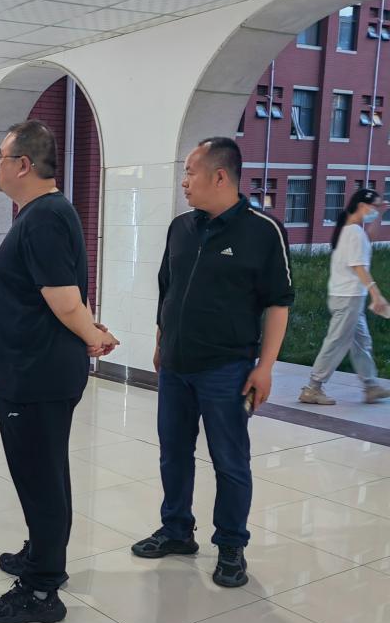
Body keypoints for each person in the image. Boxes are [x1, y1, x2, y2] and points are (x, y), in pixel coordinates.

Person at [132, 137, 294, 589]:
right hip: (176, 367)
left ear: (220, 176)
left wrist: (265, 367)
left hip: (228, 370)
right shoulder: (181, 227)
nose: (184, 182)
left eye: (190, 172)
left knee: (229, 459)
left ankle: (231, 546)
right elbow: (167, 289)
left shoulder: (263, 231)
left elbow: (278, 303)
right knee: (173, 453)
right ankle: (176, 530)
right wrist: (162, 341)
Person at [0, 120, 119, 623]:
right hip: (31, 372)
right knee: (45, 472)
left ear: (23, 165)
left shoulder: (45, 218)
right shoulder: (45, 214)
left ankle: (41, 590)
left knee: (40, 479)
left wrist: (91, 334)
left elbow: (64, 300)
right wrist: (91, 329)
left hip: (36, 376)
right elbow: (64, 293)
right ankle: (41, 553)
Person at [299, 187, 389, 405]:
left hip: (348, 296)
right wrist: (376, 295)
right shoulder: (353, 232)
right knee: (337, 342)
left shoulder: (350, 230)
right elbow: (358, 266)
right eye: (375, 207)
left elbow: (369, 240)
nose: (376, 210)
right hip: (348, 297)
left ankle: (370, 386)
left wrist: (380, 215)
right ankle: (313, 388)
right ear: (362, 206)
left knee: (361, 342)